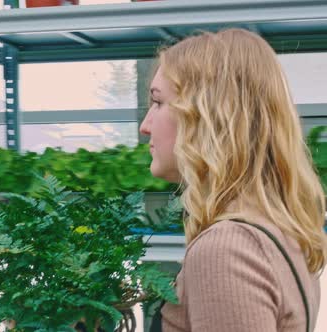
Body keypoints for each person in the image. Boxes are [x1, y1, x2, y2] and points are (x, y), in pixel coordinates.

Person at [139, 28, 327, 332]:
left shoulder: (227, 250)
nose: (145, 126)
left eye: (158, 102)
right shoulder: (281, 233)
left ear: (206, 116)